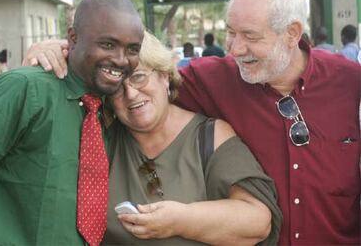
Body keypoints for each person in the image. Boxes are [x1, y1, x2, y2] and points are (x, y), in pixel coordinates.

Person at [25, 0, 361, 245]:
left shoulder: (351, 83)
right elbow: (137, 73)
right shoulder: (212, 79)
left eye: (250, 35)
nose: (236, 47)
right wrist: (62, 48)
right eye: (230, 32)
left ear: (292, 34)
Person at [0, 0, 145, 246]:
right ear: (72, 39)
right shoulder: (25, 88)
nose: (120, 59)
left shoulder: (116, 109)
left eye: (132, 49)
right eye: (107, 45)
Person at [102, 31, 281, 245]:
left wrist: (181, 220)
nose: (130, 94)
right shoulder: (102, 141)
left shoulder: (209, 137)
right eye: (116, 87)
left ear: (164, 76)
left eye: (138, 77)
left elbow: (258, 222)